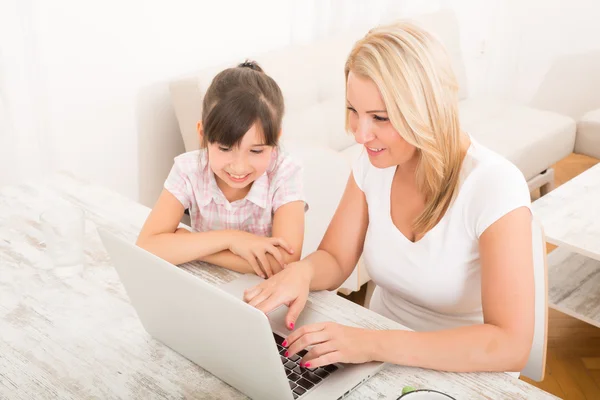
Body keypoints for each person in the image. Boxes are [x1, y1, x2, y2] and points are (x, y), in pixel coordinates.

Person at [243, 20, 535, 374]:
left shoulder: (494, 185)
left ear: (426, 110)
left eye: (380, 117)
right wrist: (302, 272)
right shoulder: (373, 163)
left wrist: (369, 342)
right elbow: (336, 257)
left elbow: (509, 345)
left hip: (464, 372)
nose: (361, 134)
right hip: (375, 360)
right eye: (353, 110)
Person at [137, 61, 307, 278]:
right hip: (205, 286)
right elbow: (147, 245)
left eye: (256, 151)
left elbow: (282, 263)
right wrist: (232, 239)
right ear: (203, 134)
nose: (239, 166)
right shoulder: (188, 169)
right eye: (225, 148)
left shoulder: (285, 173)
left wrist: (191, 246)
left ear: (276, 140)